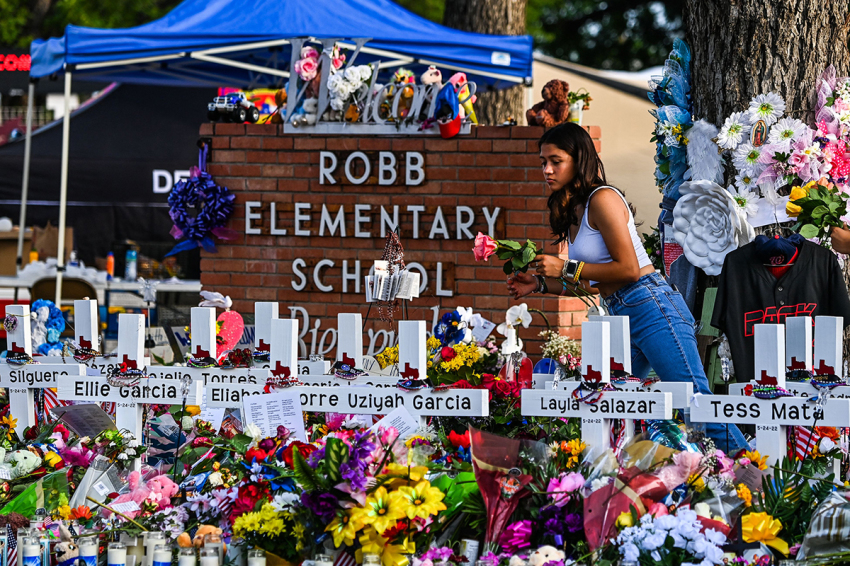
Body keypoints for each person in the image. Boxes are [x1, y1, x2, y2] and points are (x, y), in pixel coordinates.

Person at [506, 122, 748, 455]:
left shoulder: (602, 199)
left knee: (695, 404)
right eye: (543, 162)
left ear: (579, 159)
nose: (546, 169)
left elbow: (629, 270)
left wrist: (564, 266)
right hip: (621, 314)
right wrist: (541, 284)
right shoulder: (574, 211)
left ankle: (756, 476)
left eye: (555, 160)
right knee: (604, 401)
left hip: (651, 307)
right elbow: (596, 281)